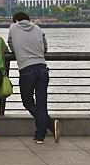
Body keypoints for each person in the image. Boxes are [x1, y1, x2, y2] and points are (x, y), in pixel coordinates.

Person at [8, 12, 60, 144]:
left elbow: (11, 45)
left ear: (16, 20)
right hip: (42, 68)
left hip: (26, 68)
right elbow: (45, 48)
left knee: (27, 101)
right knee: (42, 103)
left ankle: (50, 123)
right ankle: (40, 135)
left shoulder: (13, 28)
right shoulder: (38, 28)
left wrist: (20, 52)